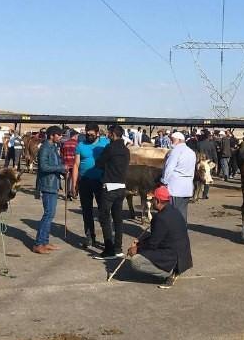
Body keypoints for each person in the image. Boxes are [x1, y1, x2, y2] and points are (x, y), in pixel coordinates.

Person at [126, 185, 193, 288]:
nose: (152, 202)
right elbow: (157, 237)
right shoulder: (174, 211)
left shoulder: (160, 218)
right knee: (143, 251)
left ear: (157, 201)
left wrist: (137, 249)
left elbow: (152, 244)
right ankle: (171, 269)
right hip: (182, 257)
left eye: (152, 200)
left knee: (136, 261)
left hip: (173, 257)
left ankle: (169, 273)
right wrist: (140, 243)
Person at [94, 125, 130, 259]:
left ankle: (109, 250)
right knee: (118, 219)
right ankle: (118, 248)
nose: (107, 135)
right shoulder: (126, 150)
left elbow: (99, 164)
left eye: (109, 133)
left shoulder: (110, 148)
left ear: (113, 134)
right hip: (121, 187)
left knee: (104, 218)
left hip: (109, 187)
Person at [72, 123, 109, 250]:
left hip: (101, 182)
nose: (89, 136)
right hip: (84, 182)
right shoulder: (80, 145)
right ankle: (89, 237)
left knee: (103, 212)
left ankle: (108, 239)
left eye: (92, 134)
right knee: (86, 211)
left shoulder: (105, 144)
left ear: (98, 133)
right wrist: (74, 184)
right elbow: (76, 165)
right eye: (87, 134)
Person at [32, 126, 66, 254]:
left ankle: (45, 242)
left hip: (53, 183)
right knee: (48, 214)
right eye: (59, 135)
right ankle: (38, 244)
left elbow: (53, 164)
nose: (60, 137)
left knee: (50, 214)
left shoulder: (53, 147)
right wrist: (60, 168)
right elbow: (43, 167)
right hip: (47, 184)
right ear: (52, 135)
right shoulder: (45, 148)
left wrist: (62, 170)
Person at [161, 131, 196, 222]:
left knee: (174, 213)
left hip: (175, 187)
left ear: (179, 140)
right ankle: (182, 229)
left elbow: (169, 168)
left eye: (173, 140)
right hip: (187, 187)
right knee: (182, 212)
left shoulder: (175, 151)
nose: (171, 142)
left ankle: (174, 230)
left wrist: (164, 182)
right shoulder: (191, 152)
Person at [60, 129, 78, 200]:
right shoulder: (77, 144)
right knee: (74, 179)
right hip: (74, 164)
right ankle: (73, 193)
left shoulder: (65, 143)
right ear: (75, 136)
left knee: (67, 179)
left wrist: (63, 161)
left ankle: (67, 194)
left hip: (66, 164)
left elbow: (61, 153)